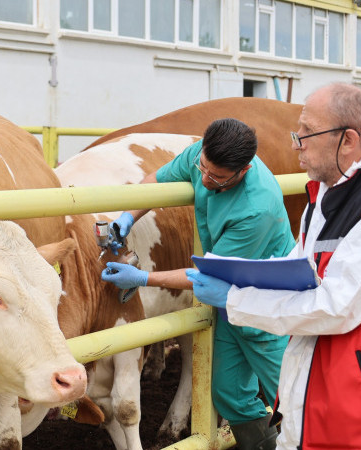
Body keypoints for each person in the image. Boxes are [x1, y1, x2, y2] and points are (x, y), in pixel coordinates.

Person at [187, 82, 361, 449]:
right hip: (320, 399)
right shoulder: (324, 195)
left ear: (348, 140)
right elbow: (300, 273)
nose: (296, 143)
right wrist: (242, 279)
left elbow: (335, 306)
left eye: (308, 133)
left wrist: (235, 299)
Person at [101, 117, 293, 449]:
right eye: (202, 168)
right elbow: (159, 180)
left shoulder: (256, 208)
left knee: (293, 395)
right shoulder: (203, 157)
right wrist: (128, 215)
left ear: (243, 171)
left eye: (216, 177)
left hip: (267, 302)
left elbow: (211, 274)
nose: (203, 180)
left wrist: (143, 277)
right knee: (229, 392)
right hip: (227, 300)